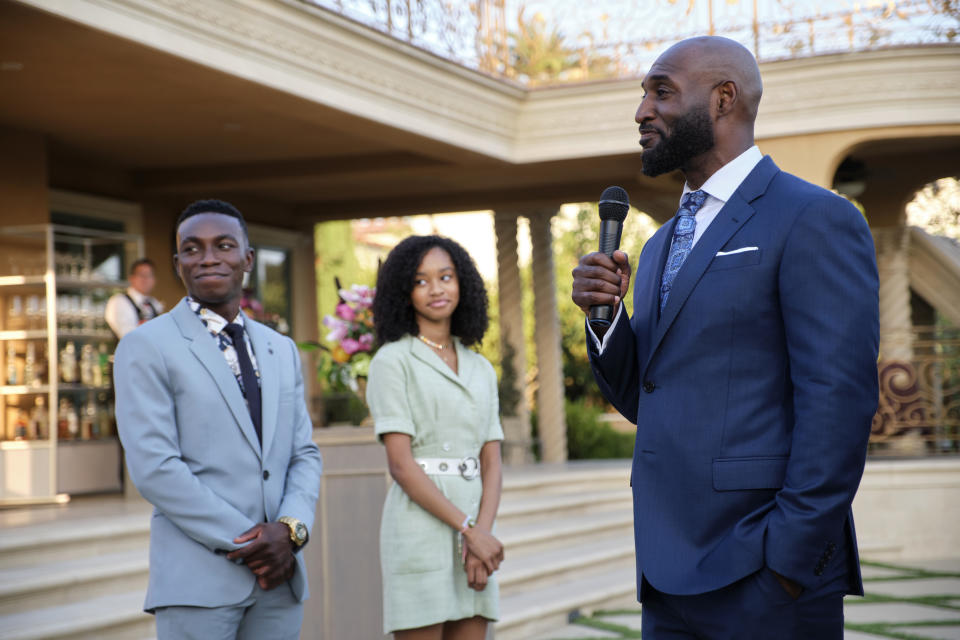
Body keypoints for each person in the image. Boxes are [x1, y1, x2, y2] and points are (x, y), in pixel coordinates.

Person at [571, 36, 879, 639]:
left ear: (722, 99)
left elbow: (838, 403)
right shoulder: (660, 245)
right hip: (666, 576)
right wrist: (605, 315)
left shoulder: (814, 217)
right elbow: (648, 396)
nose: (641, 112)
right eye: (643, 96)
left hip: (764, 575)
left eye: (661, 92)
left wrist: (787, 563)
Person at [114, 199, 322, 639]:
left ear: (247, 258)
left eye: (223, 245)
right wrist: (255, 543)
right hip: (198, 582)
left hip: (279, 580)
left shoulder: (281, 349)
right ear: (178, 263)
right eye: (192, 249)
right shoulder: (145, 346)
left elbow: (303, 453)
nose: (208, 257)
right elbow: (155, 468)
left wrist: (291, 531)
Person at [366, 235, 505, 639]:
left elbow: (491, 461)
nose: (436, 289)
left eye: (445, 277)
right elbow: (400, 465)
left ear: (462, 283)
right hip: (418, 526)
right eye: (421, 281)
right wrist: (469, 530)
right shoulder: (392, 361)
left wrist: (483, 533)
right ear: (404, 293)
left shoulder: (480, 367)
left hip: (475, 526)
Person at [104, 258, 164, 338]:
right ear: (131, 278)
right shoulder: (119, 301)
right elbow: (128, 336)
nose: (145, 279)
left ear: (154, 280)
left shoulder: (154, 303)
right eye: (141, 275)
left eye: (149, 275)